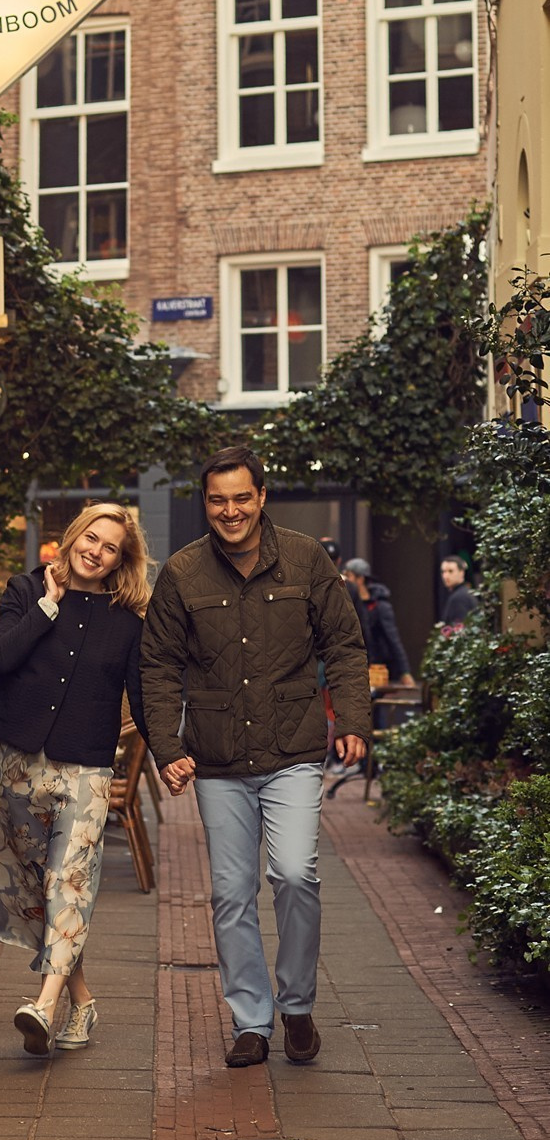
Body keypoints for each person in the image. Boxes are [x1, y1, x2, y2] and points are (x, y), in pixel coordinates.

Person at [141, 446, 370, 1069]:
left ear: (262, 497)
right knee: (231, 894)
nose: (231, 510)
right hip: (217, 758)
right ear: (206, 504)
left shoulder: (304, 558)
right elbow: (157, 666)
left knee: (295, 874)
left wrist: (351, 719)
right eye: (218, 500)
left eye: (242, 497)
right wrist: (167, 746)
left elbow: (344, 644)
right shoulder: (183, 574)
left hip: (292, 747)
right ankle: (252, 1021)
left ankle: (297, 1007)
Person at [0, 502, 151, 1057]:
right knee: (42, 886)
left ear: (119, 560)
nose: (96, 551)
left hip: (87, 766)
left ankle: (45, 1002)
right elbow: (4, 658)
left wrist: (176, 754)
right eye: (90, 538)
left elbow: (144, 694)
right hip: (20, 764)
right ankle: (82, 1000)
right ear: (72, 537)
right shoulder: (24, 588)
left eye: (110, 548)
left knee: (70, 880)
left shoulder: (129, 618)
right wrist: (47, 605)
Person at [342, 559, 416, 685]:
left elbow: (393, 638)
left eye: (349, 576)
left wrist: (405, 671)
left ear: (360, 579)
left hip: (376, 665)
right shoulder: (348, 602)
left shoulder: (379, 605)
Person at [439, 554, 479, 627]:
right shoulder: (463, 593)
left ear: (461, 572)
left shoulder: (460, 597)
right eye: (443, 572)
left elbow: (459, 629)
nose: (445, 576)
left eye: (450, 571)